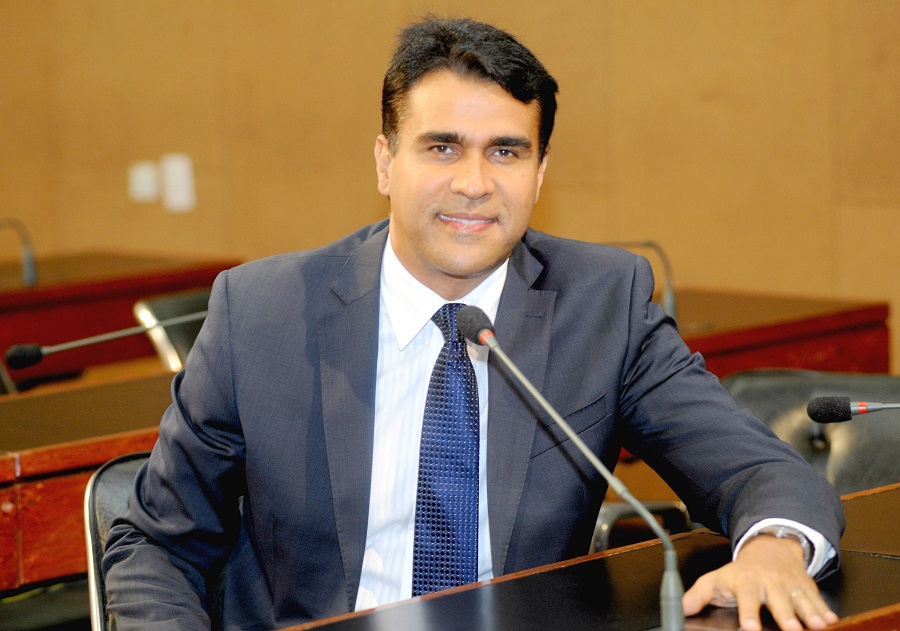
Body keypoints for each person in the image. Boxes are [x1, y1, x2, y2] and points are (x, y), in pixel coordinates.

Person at [103, 16, 844, 631]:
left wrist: (774, 548)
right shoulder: (261, 312)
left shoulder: (601, 304)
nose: (474, 183)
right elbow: (157, 544)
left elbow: (758, 470)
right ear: (385, 161)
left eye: (506, 152)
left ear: (540, 173)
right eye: (442, 147)